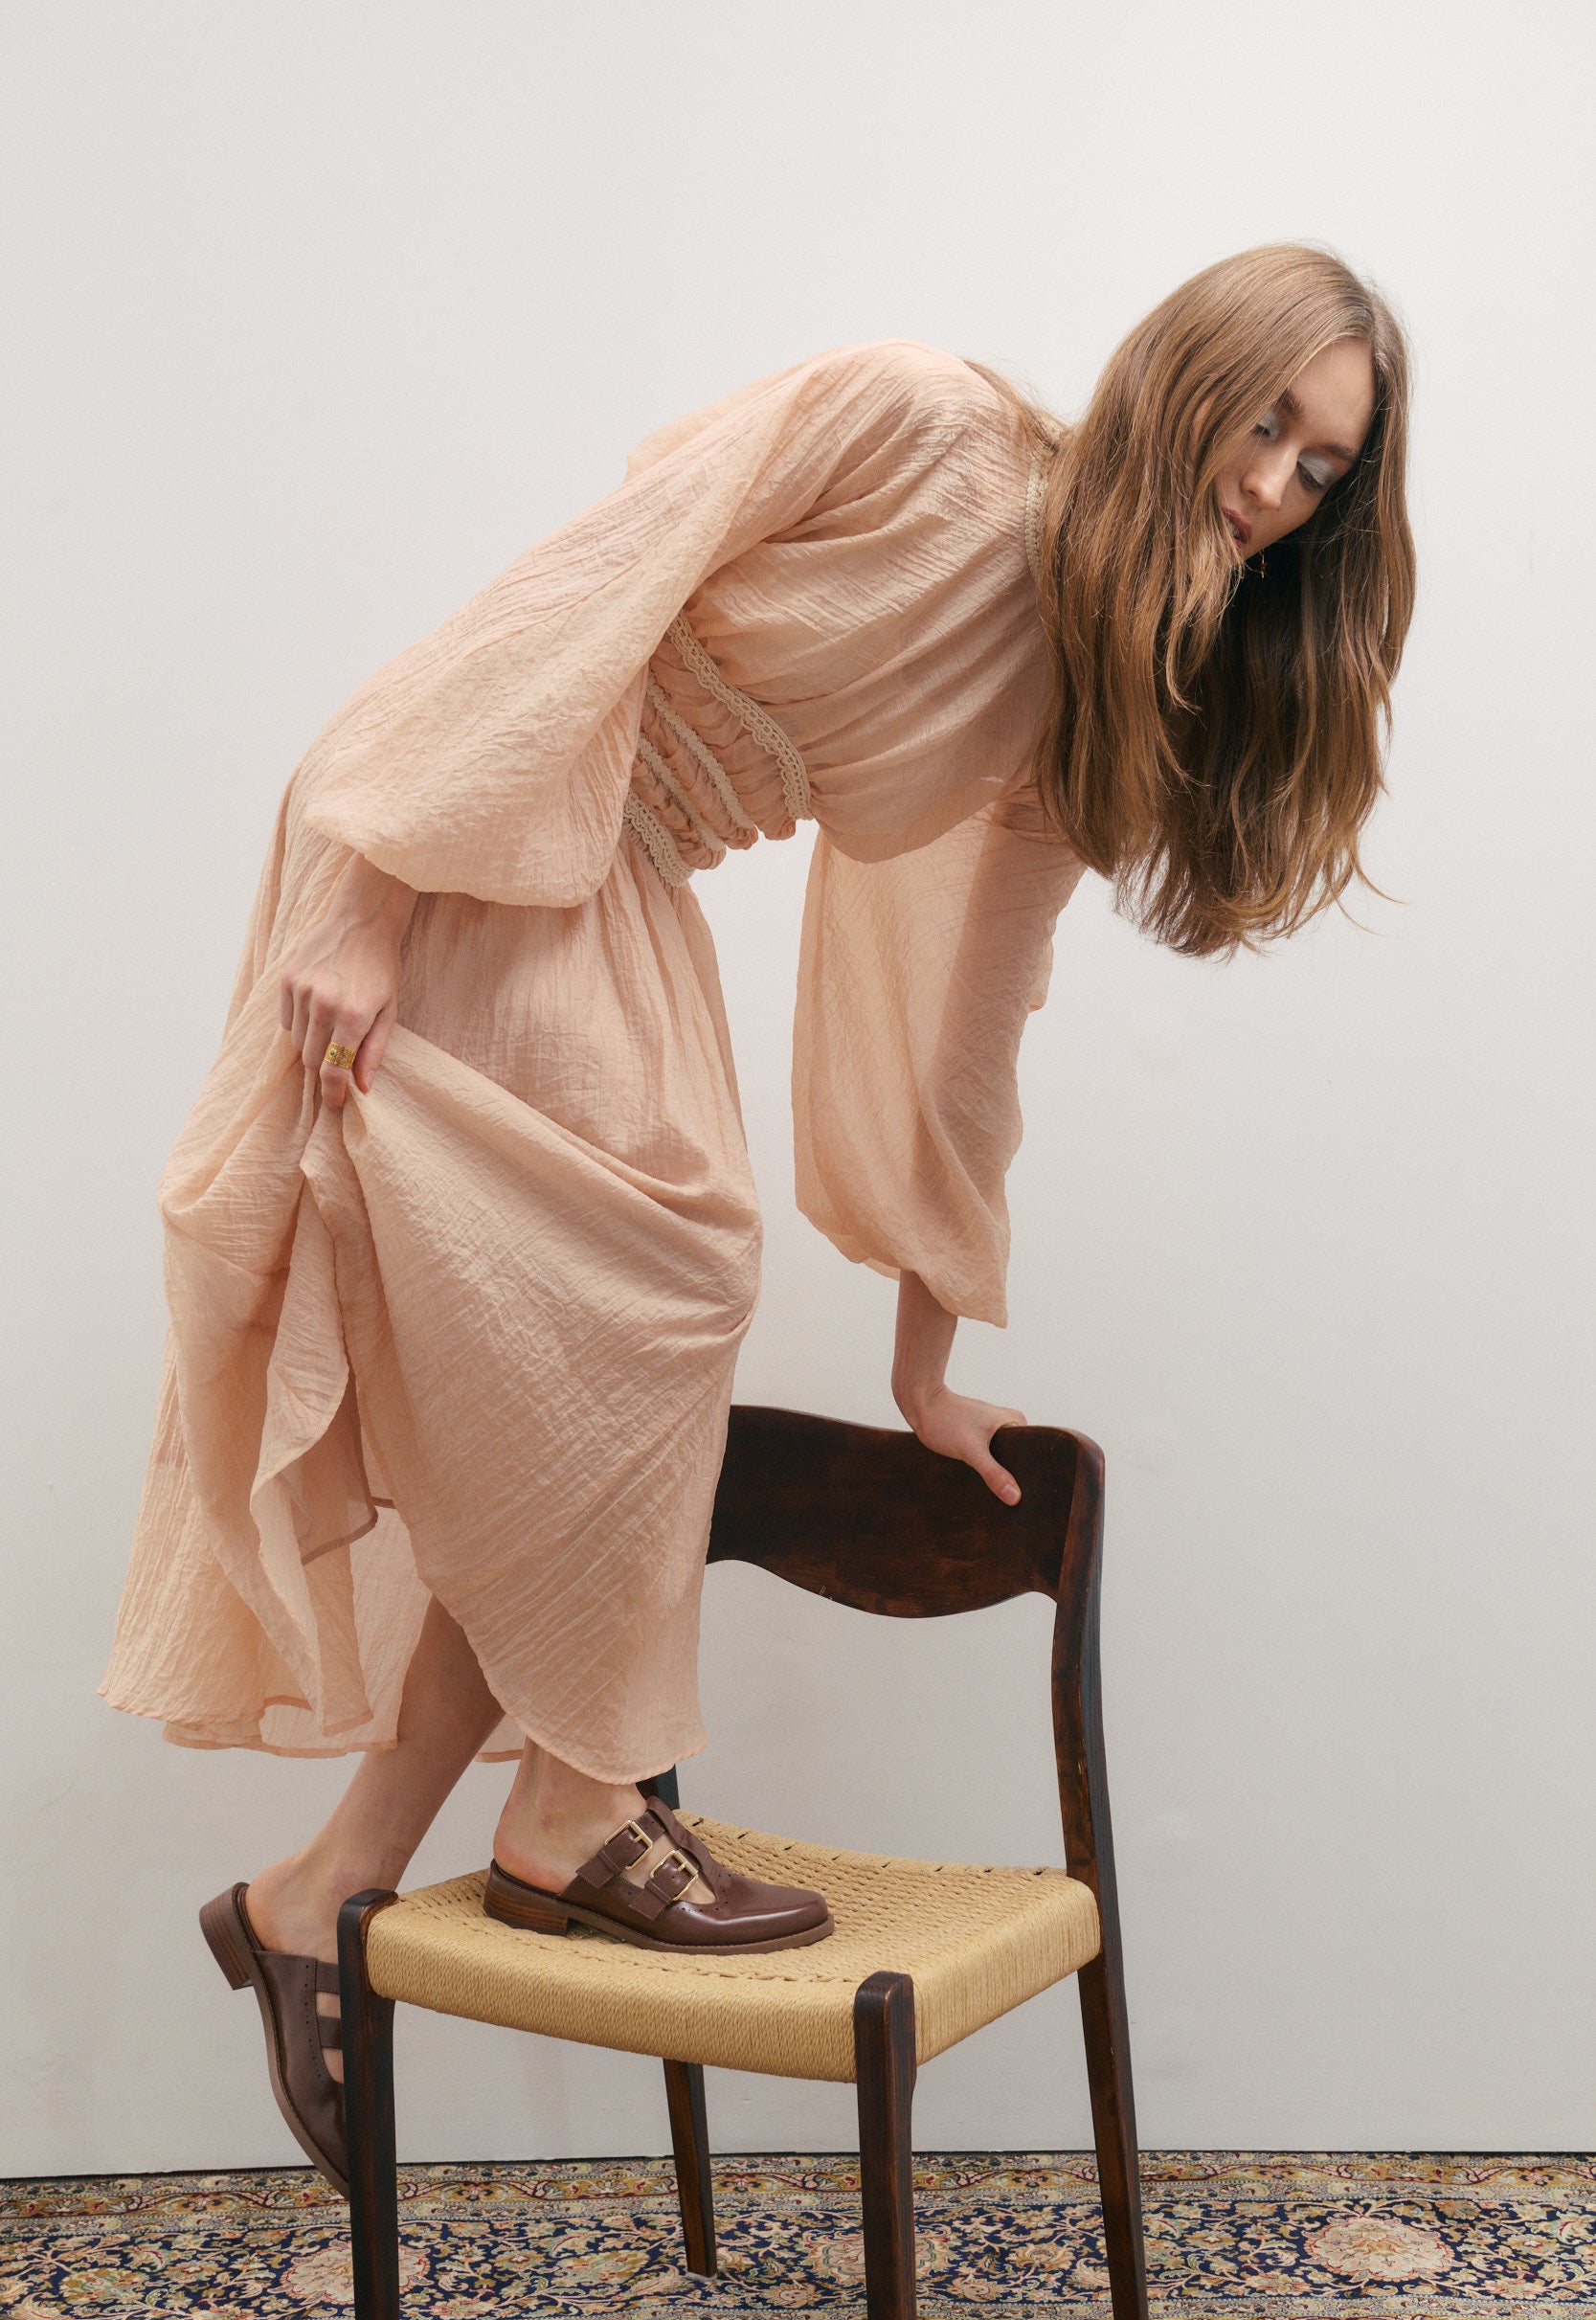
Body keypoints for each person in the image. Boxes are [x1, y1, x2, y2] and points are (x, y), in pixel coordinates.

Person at [102, 243, 1415, 2194]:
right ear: (1182, 373)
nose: (1276, 487)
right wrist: (370, 877)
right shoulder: (925, 421)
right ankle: (563, 1816)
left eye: (1323, 472)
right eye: (1269, 423)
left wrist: (928, 1341)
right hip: (492, 804)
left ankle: (341, 1880)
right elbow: (594, 584)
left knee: (572, 1390)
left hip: (624, 883)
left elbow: (977, 1011)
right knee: (678, 1271)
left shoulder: (1093, 700)